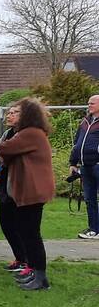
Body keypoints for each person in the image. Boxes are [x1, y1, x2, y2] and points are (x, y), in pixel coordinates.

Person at [0, 97, 55, 290]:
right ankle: (36, 273)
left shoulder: (30, 133)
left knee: (31, 234)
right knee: (27, 232)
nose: (11, 115)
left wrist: (5, 149)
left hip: (33, 191)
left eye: (17, 112)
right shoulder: (32, 133)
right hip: (30, 190)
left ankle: (40, 277)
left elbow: (4, 148)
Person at [0, 105, 28, 273]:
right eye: (9, 112)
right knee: (6, 224)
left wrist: (5, 155)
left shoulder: (26, 134)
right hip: (4, 183)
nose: (9, 115)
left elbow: (17, 157)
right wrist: (5, 155)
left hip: (19, 185)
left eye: (14, 113)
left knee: (21, 225)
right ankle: (19, 257)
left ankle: (27, 261)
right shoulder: (7, 134)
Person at [69, 94, 99, 240]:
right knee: (89, 198)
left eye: (92, 103)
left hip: (97, 165)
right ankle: (94, 229)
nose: (89, 105)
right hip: (85, 166)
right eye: (88, 103)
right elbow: (77, 143)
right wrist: (73, 163)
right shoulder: (85, 122)